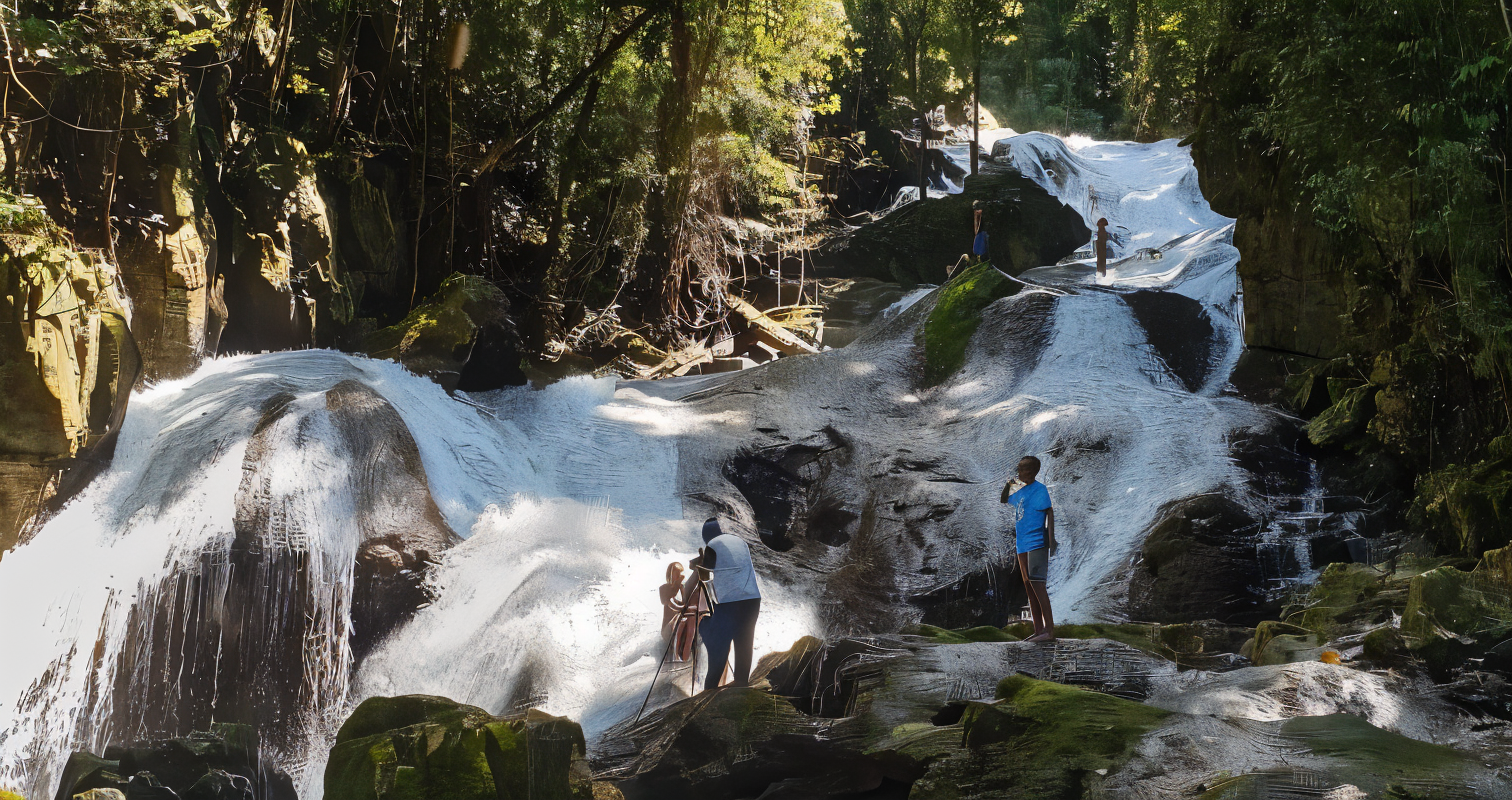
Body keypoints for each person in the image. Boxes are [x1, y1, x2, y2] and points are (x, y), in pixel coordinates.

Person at [686, 517, 762, 690]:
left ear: (706, 536)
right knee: (744, 639)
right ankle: (741, 681)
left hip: (730, 602)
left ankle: (711, 687)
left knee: (719, 642)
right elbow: (728, 563)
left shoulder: (712, 544)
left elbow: (706, 569)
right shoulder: (739, 542)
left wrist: (697, 564)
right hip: (752, 599)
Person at [1000, 455, 1057, 641]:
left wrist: (1051, 539)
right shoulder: (1020, 491)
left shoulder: (1040, 490)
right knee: (1028, 585)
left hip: (1036, 541)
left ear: (1032, 471)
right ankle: (1038, 629)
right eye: (1019, 469)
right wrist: (1011, 483)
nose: (1019, 472)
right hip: (1022, 543)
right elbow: (1003, 499)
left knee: (1038, 584)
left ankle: (1049, 630)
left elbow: (1049, 512)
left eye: (1022, 469)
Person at [659, 562, 702, 662]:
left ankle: (690, 654)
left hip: (681, 622)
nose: (679, 575)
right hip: (668, 629)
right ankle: (676, 656)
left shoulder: (682, 588)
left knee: (691, 619)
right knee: (681, 620)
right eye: (676, 573)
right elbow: (672, 603)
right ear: (670, 574)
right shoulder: (664, 588)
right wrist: (678, 583)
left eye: (680, 573)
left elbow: (685, 603)